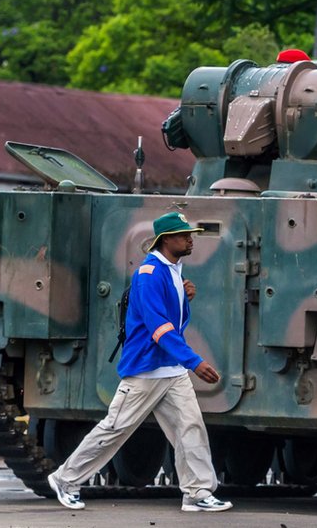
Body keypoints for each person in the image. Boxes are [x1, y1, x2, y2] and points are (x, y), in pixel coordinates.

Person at [47, 212, 232, 513]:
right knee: (115, 428)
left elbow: (172, 321)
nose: (190, 239)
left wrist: (186, 299)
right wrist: (194, 361)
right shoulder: (148, 274)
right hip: (147, 369)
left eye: (191, 234)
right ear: (166, 240)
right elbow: (159, 327)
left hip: (171, 369)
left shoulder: (172, 270)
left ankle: (198, 492)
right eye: (184, 235)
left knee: (191, 428)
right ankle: (65, 479)